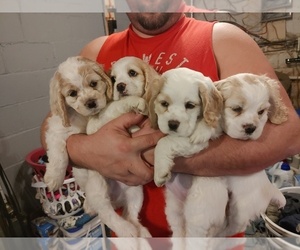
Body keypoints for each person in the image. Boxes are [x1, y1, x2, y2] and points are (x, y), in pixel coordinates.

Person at [41, 0, 300, 237]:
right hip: (128, 234)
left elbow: (289, 137)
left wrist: (154, 155)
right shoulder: (97, 49)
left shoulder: (223, 39)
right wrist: (85, 150)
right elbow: (52, 124)